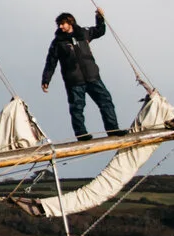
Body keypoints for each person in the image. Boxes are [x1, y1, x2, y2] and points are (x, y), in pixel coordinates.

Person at [41, 9, 120, 139]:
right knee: (77, 108)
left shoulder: (83, 33)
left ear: (70, 22)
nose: (60, 27)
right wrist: (46, 80)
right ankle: (82, 134)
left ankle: (113, 130)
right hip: (74, 81)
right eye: (59, 24)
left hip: (92, 77)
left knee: (106, 102)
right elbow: (51, 62)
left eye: (63, 24)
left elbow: (100, 31)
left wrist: (99, 18)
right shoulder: (57, 43)